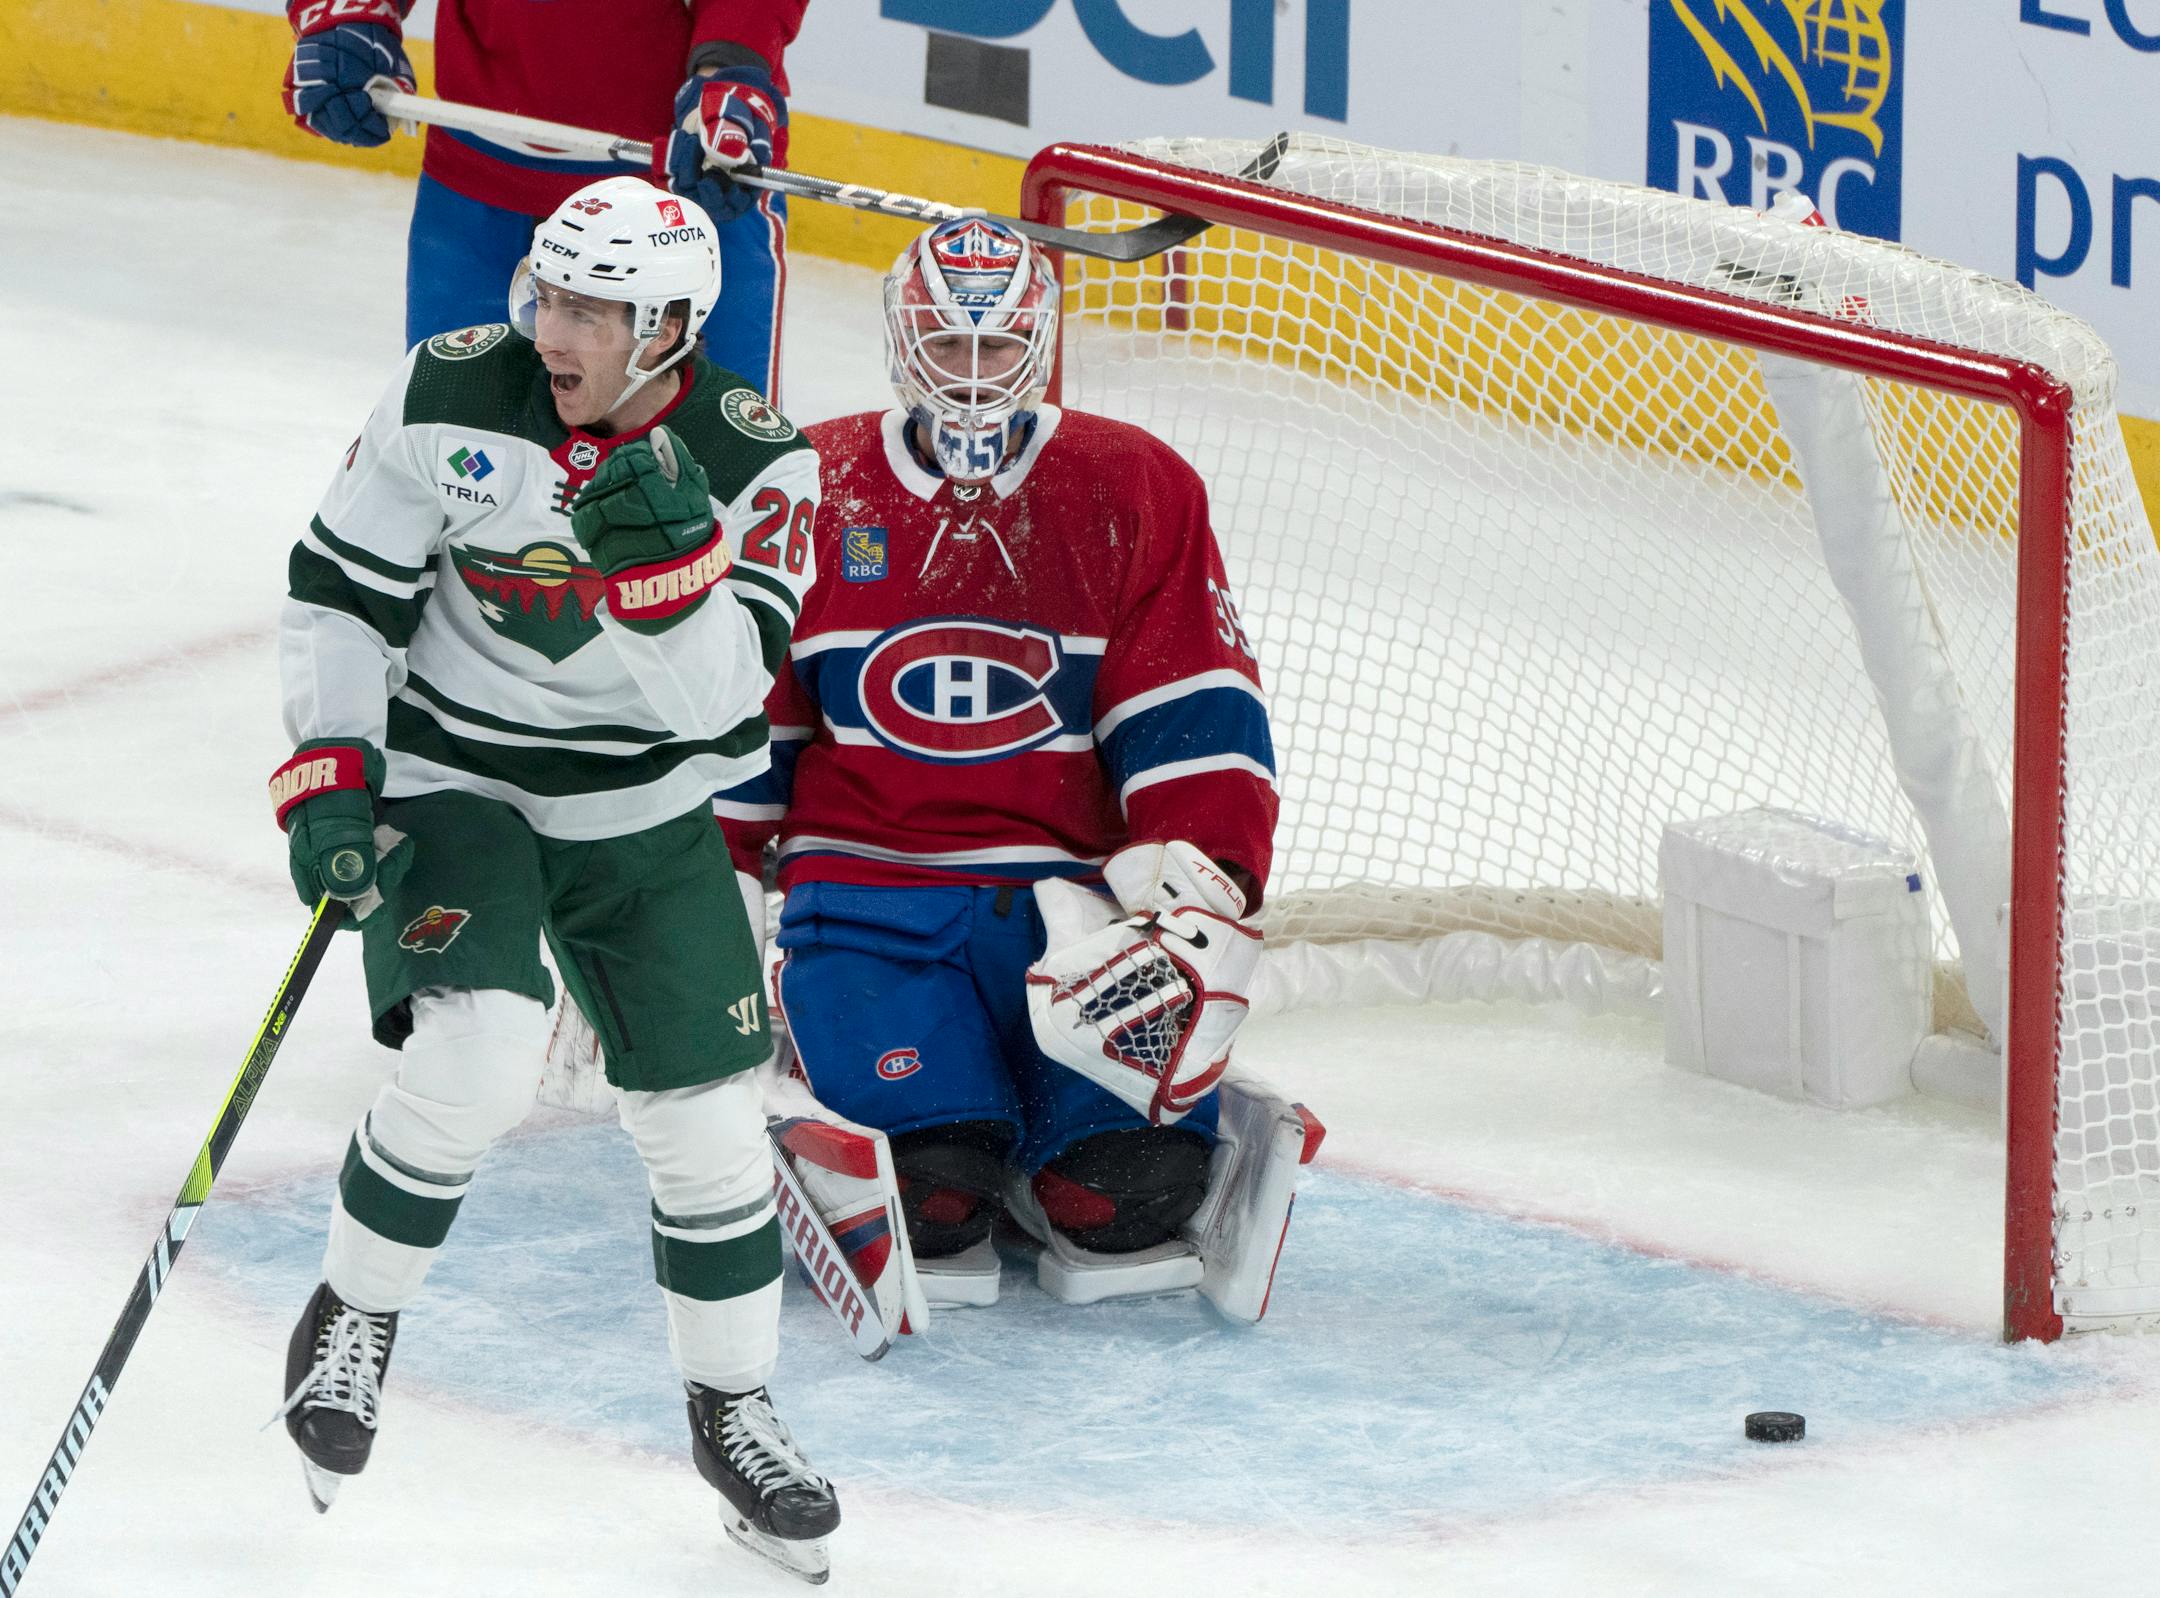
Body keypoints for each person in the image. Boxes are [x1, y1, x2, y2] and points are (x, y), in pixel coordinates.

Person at [268, 174, 836, 1584]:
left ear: (670, 329)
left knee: (710, 1124)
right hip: (456, 778)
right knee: (480, 1051)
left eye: (595, 308)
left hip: (642, 809)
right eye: (551, 294)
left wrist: (668, 586)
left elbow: (719, 716)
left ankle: (734, 1409)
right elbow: (343, 590)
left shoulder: (761, 464)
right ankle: (354, 1314)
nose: (555, 330)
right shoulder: (455, 392)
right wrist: (334, 764)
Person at [717, 218, 1317, 1321]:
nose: (976, 379)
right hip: (871, 904)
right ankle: (910, 1097)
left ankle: (1055, 1136)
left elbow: (1192, 704)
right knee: (935, 1194)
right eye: (952, 346)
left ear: (1041, 346)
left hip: (1072, 921)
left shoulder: (1134, 487)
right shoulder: (808, 483)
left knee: (1125, 1198)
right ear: (905, 343)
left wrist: (1198, 869)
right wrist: (704, 878)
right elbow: (746, 719)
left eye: (1000, 351)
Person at [281, 0, 805, 397]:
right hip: (476, 188)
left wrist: (732, 62)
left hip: (687, 185)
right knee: (443, 467)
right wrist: (348, 12)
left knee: (713, 489)